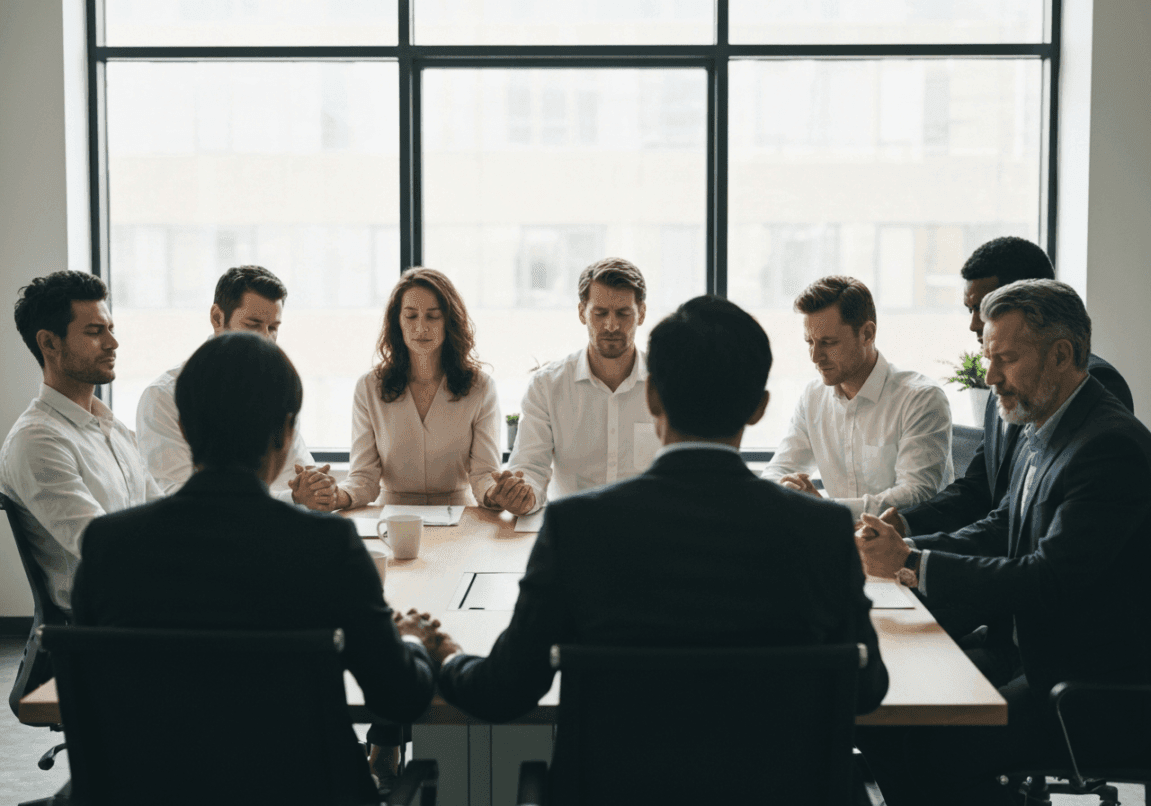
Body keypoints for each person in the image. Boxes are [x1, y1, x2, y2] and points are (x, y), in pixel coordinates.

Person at [433, 296, 889, 801]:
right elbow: (866, 688)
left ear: (651, 396)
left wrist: (446, 656)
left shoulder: (579, 526)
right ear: (759, 407)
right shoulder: (821, 531)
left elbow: (504, 691)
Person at [72, 332, 440, 803]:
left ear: (183, 427)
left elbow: (92, 694)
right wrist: (412, 640)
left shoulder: (108, 546)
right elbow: (399, 698)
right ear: (286, 433)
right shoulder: (325, 547)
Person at [854, 279, 1151, 806]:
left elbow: (1048, 578)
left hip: (1085, 687)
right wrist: (906, 547)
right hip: (1027, 653)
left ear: (1062, 355)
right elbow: (1000, 525)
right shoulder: (1050, 424)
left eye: (1006, 359)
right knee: (877, 712)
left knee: (933, 748)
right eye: (988, 357)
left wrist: (916, 562)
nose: (989, 376)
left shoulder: (1108, 446)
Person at [886, 236, 1133, 540]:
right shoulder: (1001, 385)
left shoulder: (1092, 384)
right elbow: (981, 488)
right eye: (972, 309)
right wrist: (903, 526)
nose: (976, 324)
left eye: (986, 307)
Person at [0, 271, 160, 613]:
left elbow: (161, 513)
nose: (112, 343)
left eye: (111, 329)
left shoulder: (111, 427)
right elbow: (104, 548)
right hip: (109, 623)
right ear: (50, 343)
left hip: (147, 599)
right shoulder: (37, 441)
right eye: (94, 332)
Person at [135, 265, 336, 509]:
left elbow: (296, 476)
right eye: (253, 325)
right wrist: (292, 498)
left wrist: (315, 487)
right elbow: (179, 497)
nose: (266, 338)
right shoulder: (164, 397)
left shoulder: (276, 387)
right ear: (217, 318)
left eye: (273, 328)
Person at [762, 275, 953, 521]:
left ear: (867, 334)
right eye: (809, 342)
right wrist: (786, 489)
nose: (815, 356)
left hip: (907, 546)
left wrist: (825, 509)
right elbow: (779, 469)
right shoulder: (813, 397)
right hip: (841, 543)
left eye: (828, 343)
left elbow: (917, 493)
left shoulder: (921, 399)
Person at [486, 257, 660, 516]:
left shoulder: (668, 384)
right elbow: (531, 467)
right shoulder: (547, 385)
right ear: (582, 313)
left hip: (649, 531)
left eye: (623, 313)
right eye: (600, 313)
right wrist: (524, 496)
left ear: (641, 313)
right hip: (572, 532)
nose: (611, 325)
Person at [329, 267, 501, 510]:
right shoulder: (369, 387)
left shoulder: (480, 387)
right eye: (411, 316)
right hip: (391, 518)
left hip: (458, 517)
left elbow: (485, 475)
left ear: (449, 321)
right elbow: (364, 478)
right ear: (397, 321)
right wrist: (336, 496)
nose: (421, 327)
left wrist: (499, 494)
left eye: (433, 316)